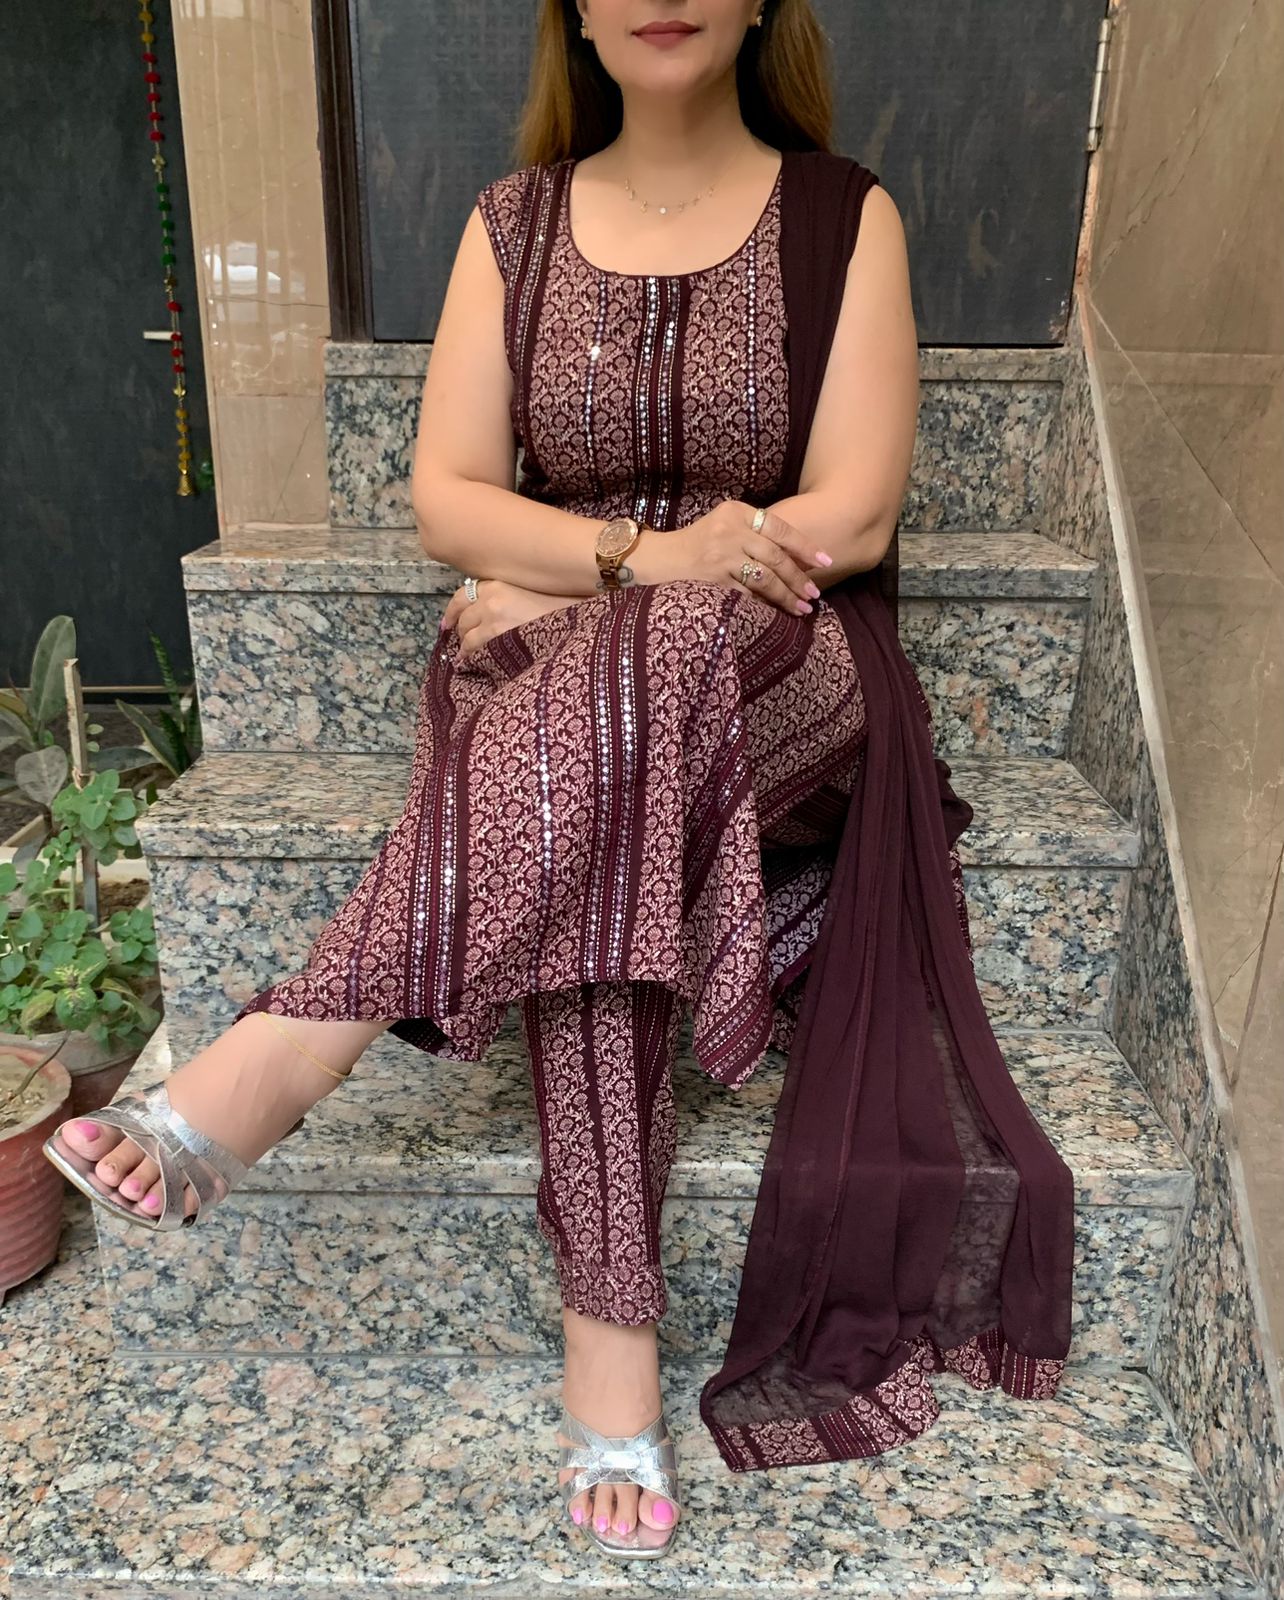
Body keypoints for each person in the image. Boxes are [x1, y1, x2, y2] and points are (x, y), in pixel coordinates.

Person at [44, 0, 1074, 1565]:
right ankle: (612, 1335)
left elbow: (854, 515)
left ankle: (298, 1041)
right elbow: (446, 501)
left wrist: (613, 586)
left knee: (654, 680)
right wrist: (632, 565)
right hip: (550, 672)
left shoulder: (841, 215)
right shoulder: (513, 227)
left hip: (785, 667)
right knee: (616, 821)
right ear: (575, 12)